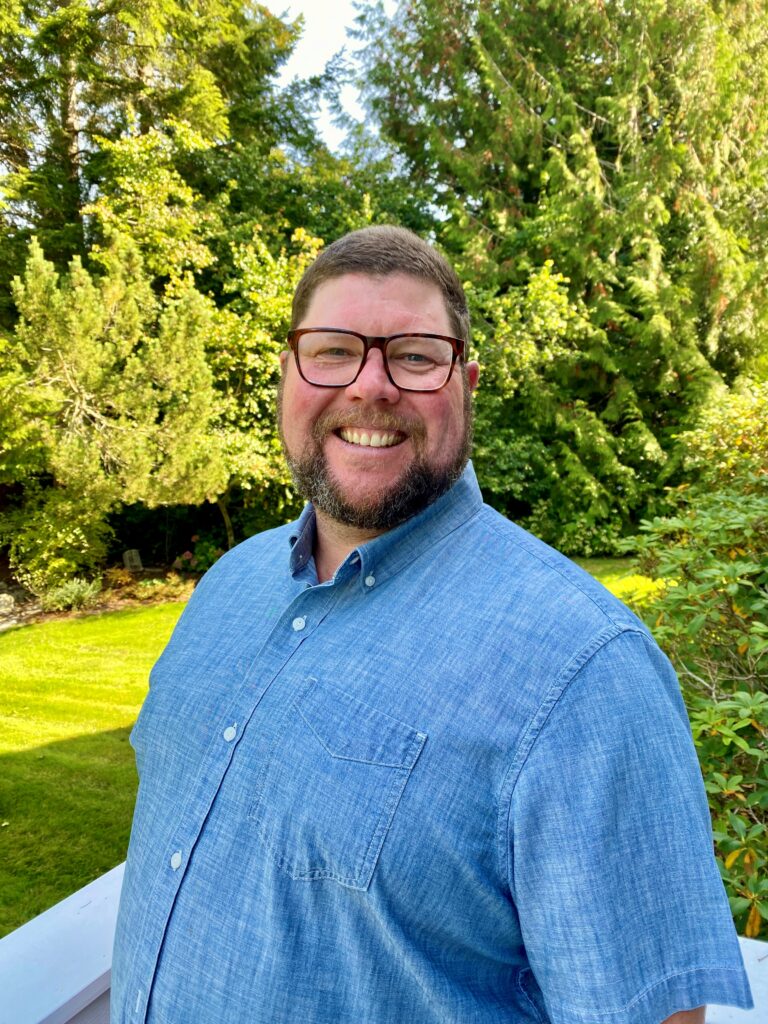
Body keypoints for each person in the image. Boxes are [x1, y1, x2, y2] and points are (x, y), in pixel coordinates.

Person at [111, 226, 753, 1024]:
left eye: (415, 356)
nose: (370, 386)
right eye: (334, 350)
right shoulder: (227, 589)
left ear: (466, 383)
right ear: (287, 375)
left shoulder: (588, 672)